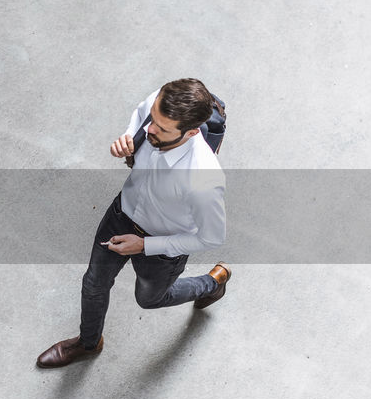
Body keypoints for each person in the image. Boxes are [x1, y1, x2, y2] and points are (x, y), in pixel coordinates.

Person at [36, 78, 230, 369]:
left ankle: (211, 283)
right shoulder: (158, 104)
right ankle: (88, 343)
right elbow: (140, 116)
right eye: (153, 119)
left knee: (149, 299)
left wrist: (144, 245)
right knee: (93, 283)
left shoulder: (203, 178)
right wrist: (127, 138)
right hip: (121, 215)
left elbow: (212, 237)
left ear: (191, 132)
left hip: (162, 247)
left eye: (162, 129)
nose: (150, 129)